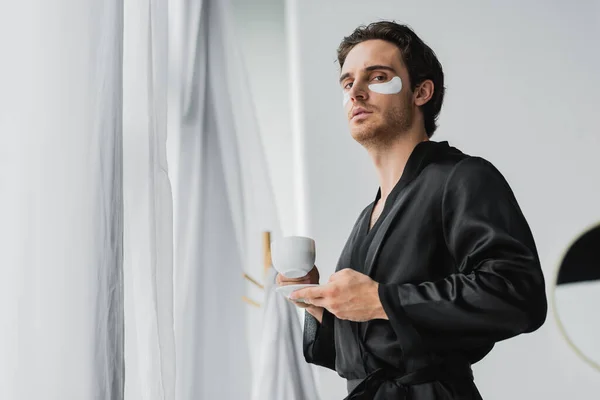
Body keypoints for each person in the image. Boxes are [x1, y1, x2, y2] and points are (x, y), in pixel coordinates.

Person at [276, 21, 547, 399]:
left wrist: (380, 299)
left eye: (378, 76)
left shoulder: (463, 177)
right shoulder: (368, 215)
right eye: (347, 82)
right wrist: (320, 306)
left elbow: (519, 295)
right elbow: (367, 354)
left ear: (421, 92)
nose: (356, 91)